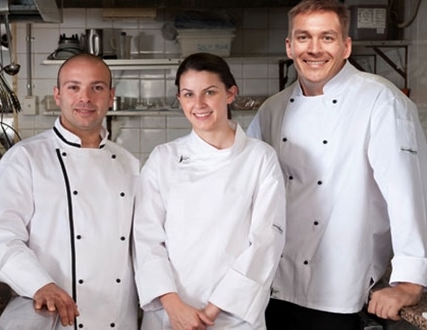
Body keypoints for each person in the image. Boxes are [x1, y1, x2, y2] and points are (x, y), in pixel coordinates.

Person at [247, 0, 427, 329]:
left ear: (346, 47)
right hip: (271, 287)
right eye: (303, 38)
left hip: (340, 291)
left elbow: (406, 193)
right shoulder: (272, 109)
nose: (314, 49)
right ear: (289, 46)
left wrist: (409, 282)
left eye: (327, 38)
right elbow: (250, 192)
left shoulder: (380, 101)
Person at [133, 52, 286, 330]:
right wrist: (174, 307)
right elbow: (146, 238)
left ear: (230, 94)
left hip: (233, 316)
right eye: (188, 94)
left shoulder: (259, 157)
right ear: (179, 99)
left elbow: (266, 240)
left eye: (210, 92)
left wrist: (213, 311)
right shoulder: (163, 158)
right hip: (171, 316)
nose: (199, 104)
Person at [0, 53, 139, 329]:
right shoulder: (26, 158)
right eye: (74, 87)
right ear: (58, 95)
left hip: (117, 318)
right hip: (46, 316)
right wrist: (39, 284)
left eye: (96, 88)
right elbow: (1, 235)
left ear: (111, 96)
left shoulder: (129, 164)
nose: (85, 98)